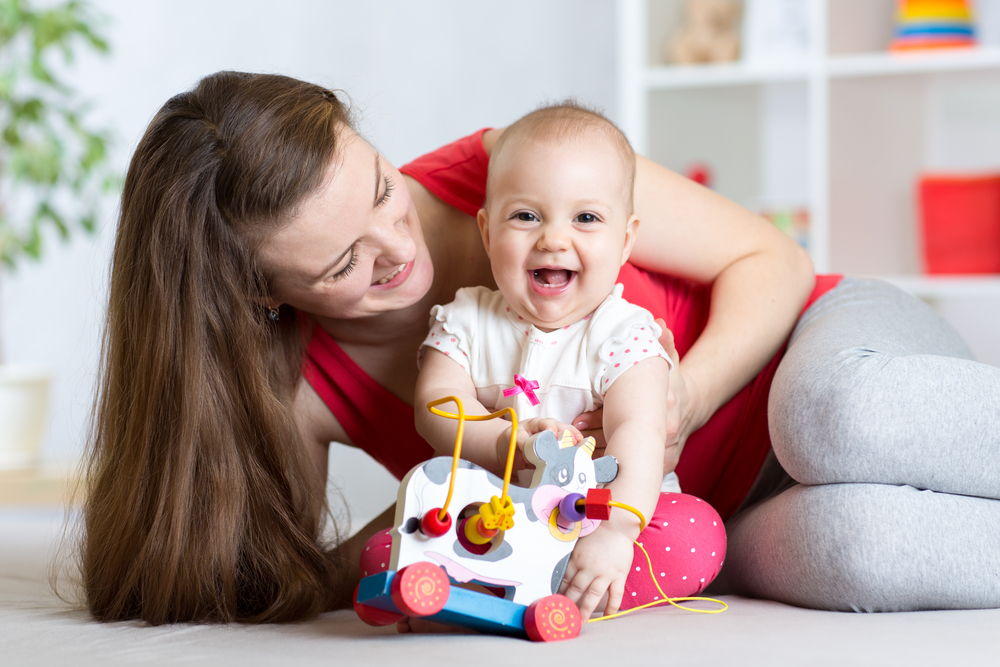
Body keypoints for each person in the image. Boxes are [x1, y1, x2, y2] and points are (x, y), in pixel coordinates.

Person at [81, 70, 1000, 626]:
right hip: (714, 512)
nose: (397, 248)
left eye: (380, 188)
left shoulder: (517, 170)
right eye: (343, 263)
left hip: (819, 349)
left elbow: (776, 261)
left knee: (828, 418)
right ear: (259, 295)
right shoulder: (302, 389)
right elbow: (291, 575)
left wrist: (682, 400)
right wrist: (447, 520)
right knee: (857, 550)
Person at [410, 103, 726, 621]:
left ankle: (547, 586)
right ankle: (512, 586)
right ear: (487, 232)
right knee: (393, 546)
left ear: (625, 241)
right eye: (526, 216)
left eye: (586, 218)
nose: (554, 239)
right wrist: (503, 441)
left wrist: (617, 532)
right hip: (493, 520)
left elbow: (640, 431)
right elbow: (436, 406)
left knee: (697, 535)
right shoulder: (465, 320)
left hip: (598, 522)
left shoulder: (625, 333)